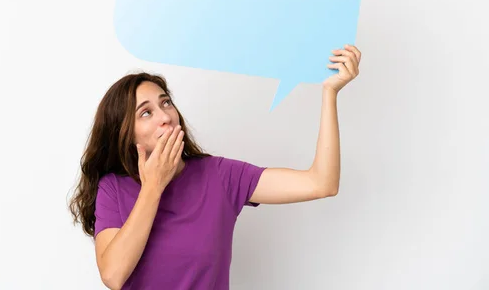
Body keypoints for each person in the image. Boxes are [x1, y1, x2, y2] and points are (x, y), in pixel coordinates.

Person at [69, 45, 362, 289]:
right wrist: (153, 186)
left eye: (166, 103)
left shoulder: (219, 176)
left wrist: (329, 94)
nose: (166, 117)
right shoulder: (113, 187)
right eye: (146, 112)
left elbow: (322, 183)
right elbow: (113, 275)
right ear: (125, 132)